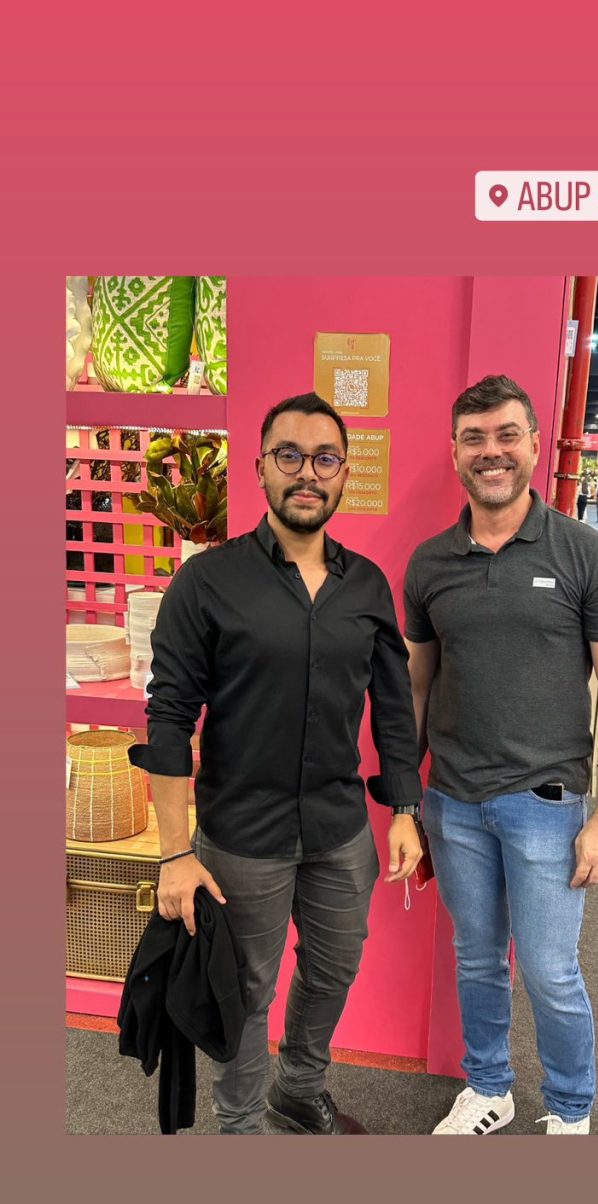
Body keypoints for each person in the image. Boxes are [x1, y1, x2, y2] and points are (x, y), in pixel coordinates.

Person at [128, 392, 423, 1136]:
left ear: (344, 473)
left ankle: (299, 1085)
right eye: (289, 455)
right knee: (246, 991)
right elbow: (169, 719)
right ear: (260, 468)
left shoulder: (366, 585)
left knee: (334, 969)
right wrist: (174, 853)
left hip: (338, 829)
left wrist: (405, 811)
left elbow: (393, 706)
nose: (307, 473)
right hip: (242, 835)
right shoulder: (208, 582)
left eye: (325, 458)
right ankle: (240, 1128)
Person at [404, 375, 598, 1136]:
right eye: (474, 438)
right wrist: (407, 803)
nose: (492, 452)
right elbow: (415, 687)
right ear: (454, 452)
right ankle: (490, 1088)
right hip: (453, 802)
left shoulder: (587, 555)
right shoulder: (430, 564)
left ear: (535, 446)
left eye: (507, 435)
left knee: (548, 971)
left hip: (546, 804)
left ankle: (571, 1108)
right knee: (478, 957)